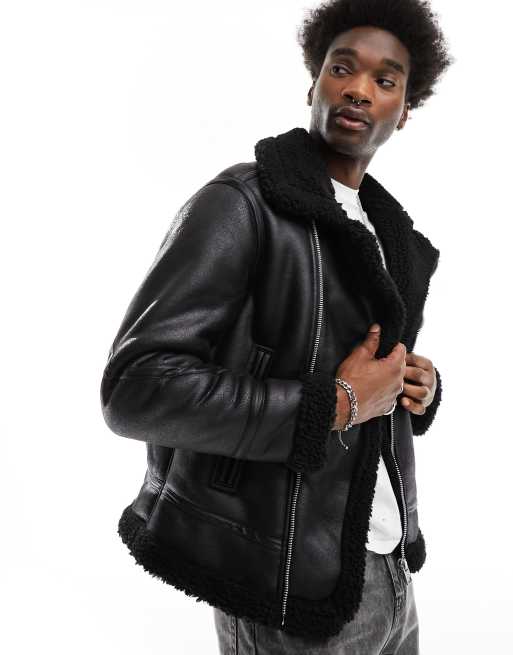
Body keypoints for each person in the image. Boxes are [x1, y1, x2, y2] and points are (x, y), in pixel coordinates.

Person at [100, 0, 453, 652]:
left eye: (384, 80)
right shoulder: (242, 203)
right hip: (283, 584)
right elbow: (136, 389)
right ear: (313, 85)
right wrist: (336, 402)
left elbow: (361, 379)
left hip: (387, 568)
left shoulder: (393, 240)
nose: (357, 88)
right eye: (341, 68)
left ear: (404, 110)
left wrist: (413, 388)